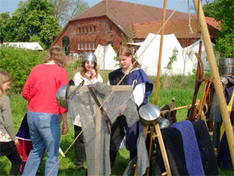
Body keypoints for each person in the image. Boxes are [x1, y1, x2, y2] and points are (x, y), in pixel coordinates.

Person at [22, 46, 69, 176]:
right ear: (61, 57)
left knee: (36, 149)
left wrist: (37, 99)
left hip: (32, 114)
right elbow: (62, 99)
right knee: (52, 154)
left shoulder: (35, 69)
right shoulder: (61, 72)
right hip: (49, 116)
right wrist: (65, 122)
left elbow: (25, 93)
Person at [108, 46, 153, 168]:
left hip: (135, 114)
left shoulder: (138, 75)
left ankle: (134, 169)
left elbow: (138, 98)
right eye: (119, 60)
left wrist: (125, 107)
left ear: (130, 57)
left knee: (134, 142)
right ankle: (107, 169)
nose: (122, 62)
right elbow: (109, 93)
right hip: (117, 113)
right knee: (113, 140)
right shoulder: (114, 75)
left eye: (124, 59)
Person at [72, 52, 103, 171]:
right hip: (81, 110)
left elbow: (100, 91)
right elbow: (79, 91)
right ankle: (79, 162)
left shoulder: (99, 77)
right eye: (87, 62)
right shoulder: (78, 76)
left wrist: (93, 79)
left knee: (93, 137)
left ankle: (91, 160)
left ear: (94, 64)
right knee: (80, 138)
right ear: (83, 63)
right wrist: (87, 78)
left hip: (94, 111)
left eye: (91, 63)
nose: (89, 65)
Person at [0, 70, 22, 176]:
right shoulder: (3, 99)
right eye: (7, 85)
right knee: (17, 161)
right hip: (3, 138)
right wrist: (14, 138)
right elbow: (7, 122)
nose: (9, 87)